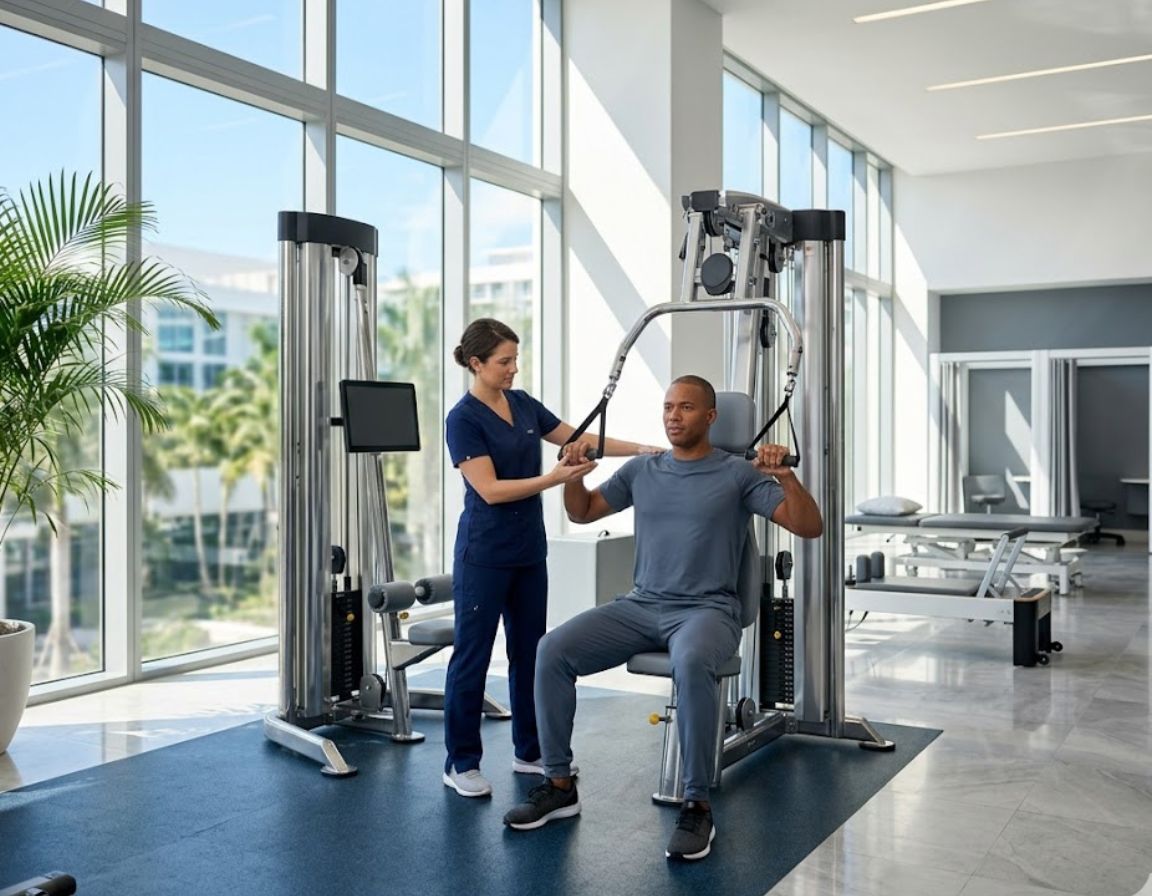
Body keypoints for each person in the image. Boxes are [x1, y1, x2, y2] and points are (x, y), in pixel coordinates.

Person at [501, 374, 823, 861]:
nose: (674, 416)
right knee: (551, 651)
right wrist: (575, 475)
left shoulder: (738, 475)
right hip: (640, 606)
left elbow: (809, 526)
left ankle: (696, 804)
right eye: (669, 407)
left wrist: (786, 477)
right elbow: (584, 512)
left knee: (691, 662)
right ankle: (559, 784)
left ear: (711, 417)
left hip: (707, 611)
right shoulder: (642, 471)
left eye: (686, 408)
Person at [442, 318, 660, 799]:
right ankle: (461, 760)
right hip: (484, 554)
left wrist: (647, 450)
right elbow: (491, 490)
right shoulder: (463, 419)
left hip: (527, 551)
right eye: (504, 362)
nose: (513, 369)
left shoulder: (520, 404)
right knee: (472, 658)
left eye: (515, 359)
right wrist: (557, 479)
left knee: (530, 653)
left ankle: (530, 749)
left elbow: (578, 438)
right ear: (476, 363)